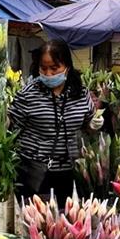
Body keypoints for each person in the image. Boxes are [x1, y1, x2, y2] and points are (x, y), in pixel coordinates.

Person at [9, 40, 101, 201]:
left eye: (54, 68)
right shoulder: (28, 93)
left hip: (69, 171)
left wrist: (93, 125)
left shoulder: (80, 92)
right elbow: (11, 127)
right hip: (34, 172)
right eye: (43, 68)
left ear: (67, 66)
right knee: (35, 220)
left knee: (64, 219)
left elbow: (88, 124)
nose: (48, 74)